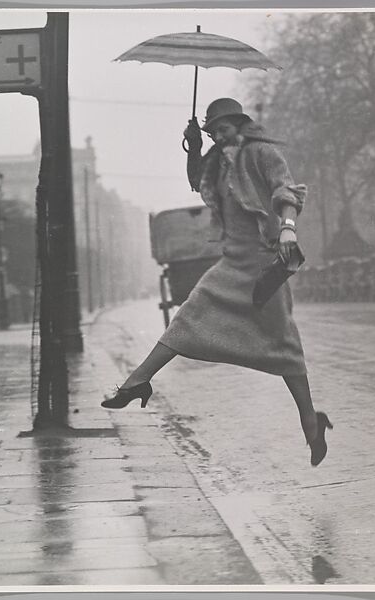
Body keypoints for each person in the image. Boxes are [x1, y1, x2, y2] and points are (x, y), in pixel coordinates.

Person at [102, 98, 332, 467]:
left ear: (240, 125)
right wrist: (193, 147)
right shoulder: (215, 161)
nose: (218, 135)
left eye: (223, 128)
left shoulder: (261, 152)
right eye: (212, 131)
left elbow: (285, 191)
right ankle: (137, 382)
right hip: (231, 261)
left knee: (284, 345)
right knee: (188, 316)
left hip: (264, 261)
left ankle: (310, 421)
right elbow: (197, 182)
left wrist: (288, 230)